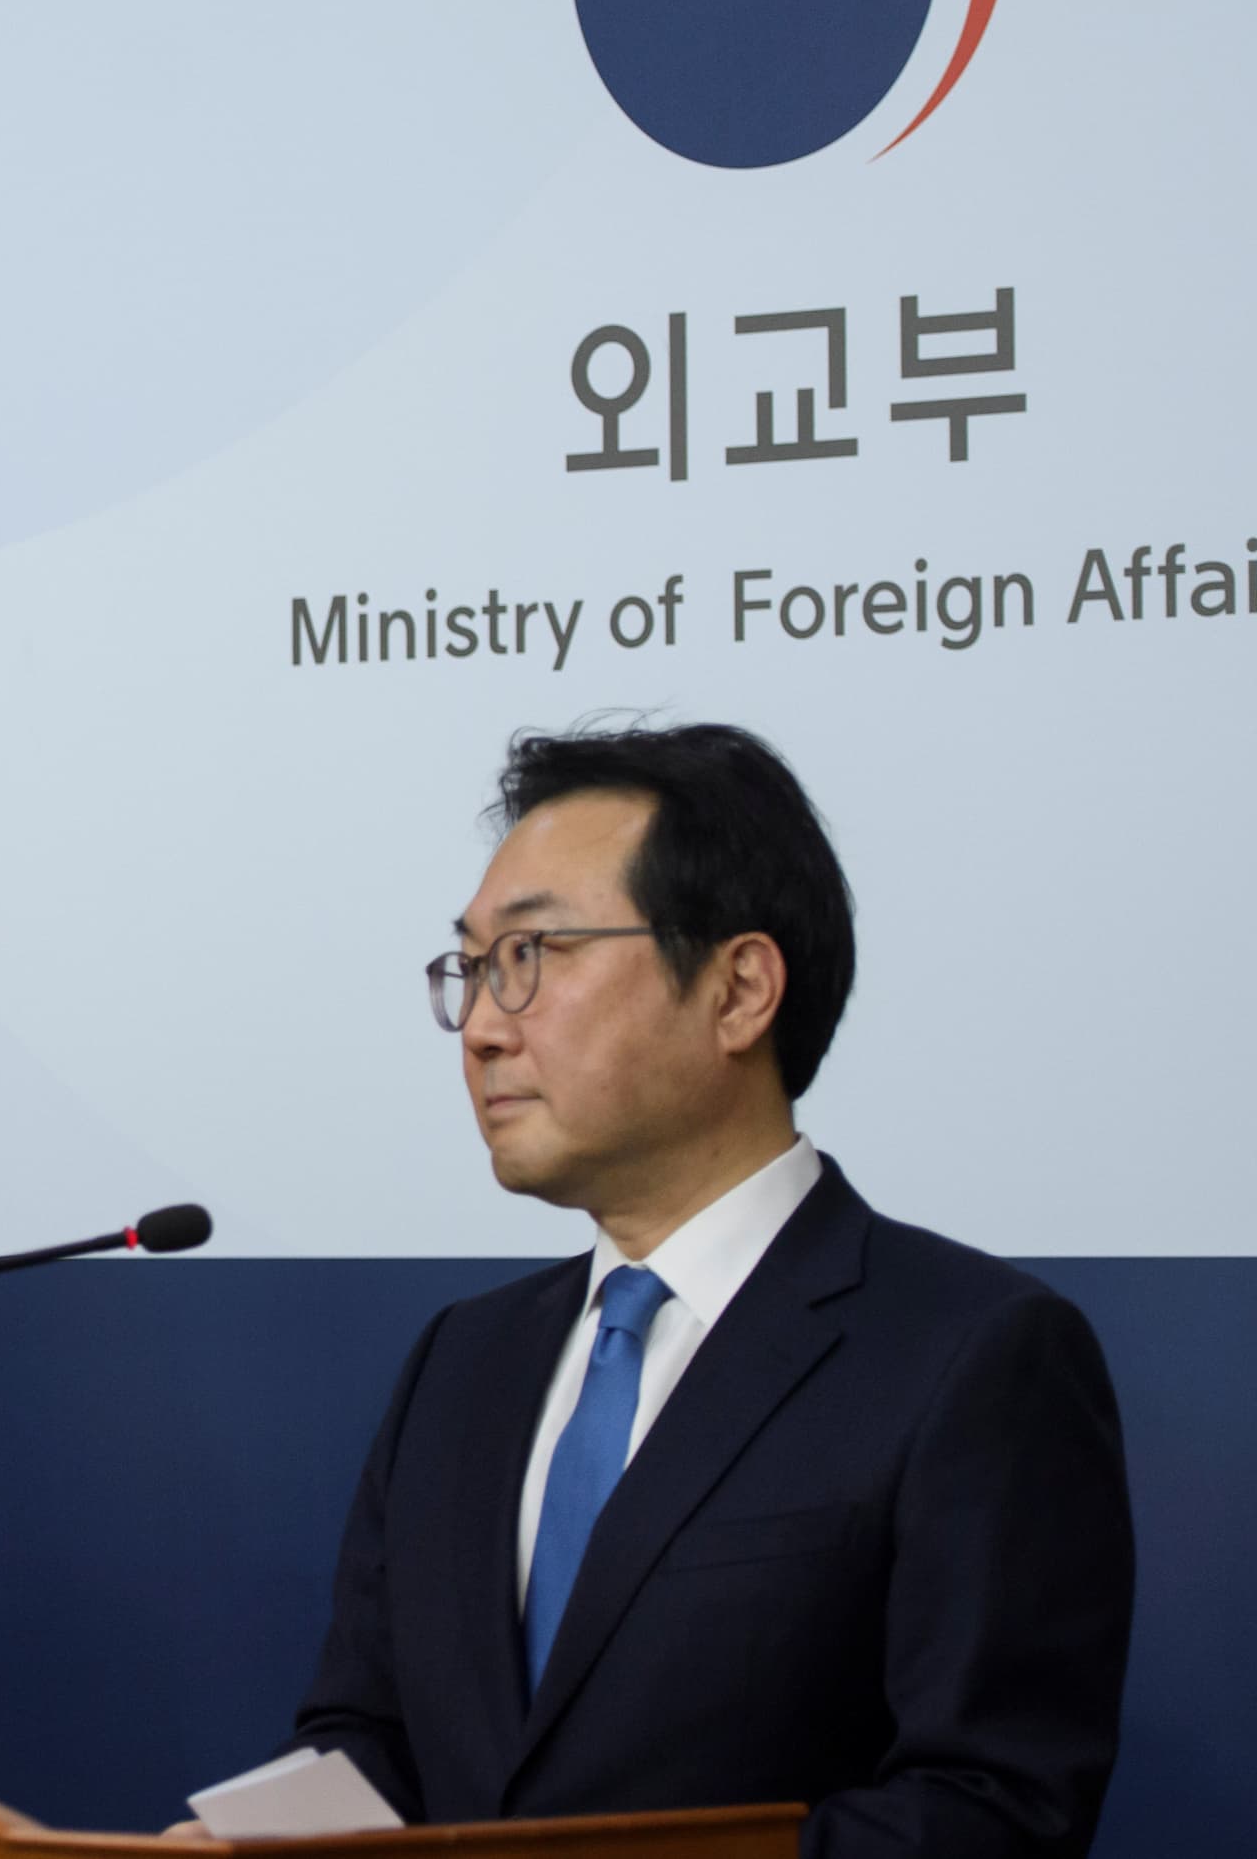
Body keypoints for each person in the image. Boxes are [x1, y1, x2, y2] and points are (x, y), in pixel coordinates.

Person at [277, 721, 1132, 1853]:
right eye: (473, 968)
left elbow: (992, 1810)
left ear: (737, 989)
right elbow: (369, 1736)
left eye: (533, 956)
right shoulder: (460, 1360)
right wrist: (264, 1841)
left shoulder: (972, 1355)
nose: (482, 1026)